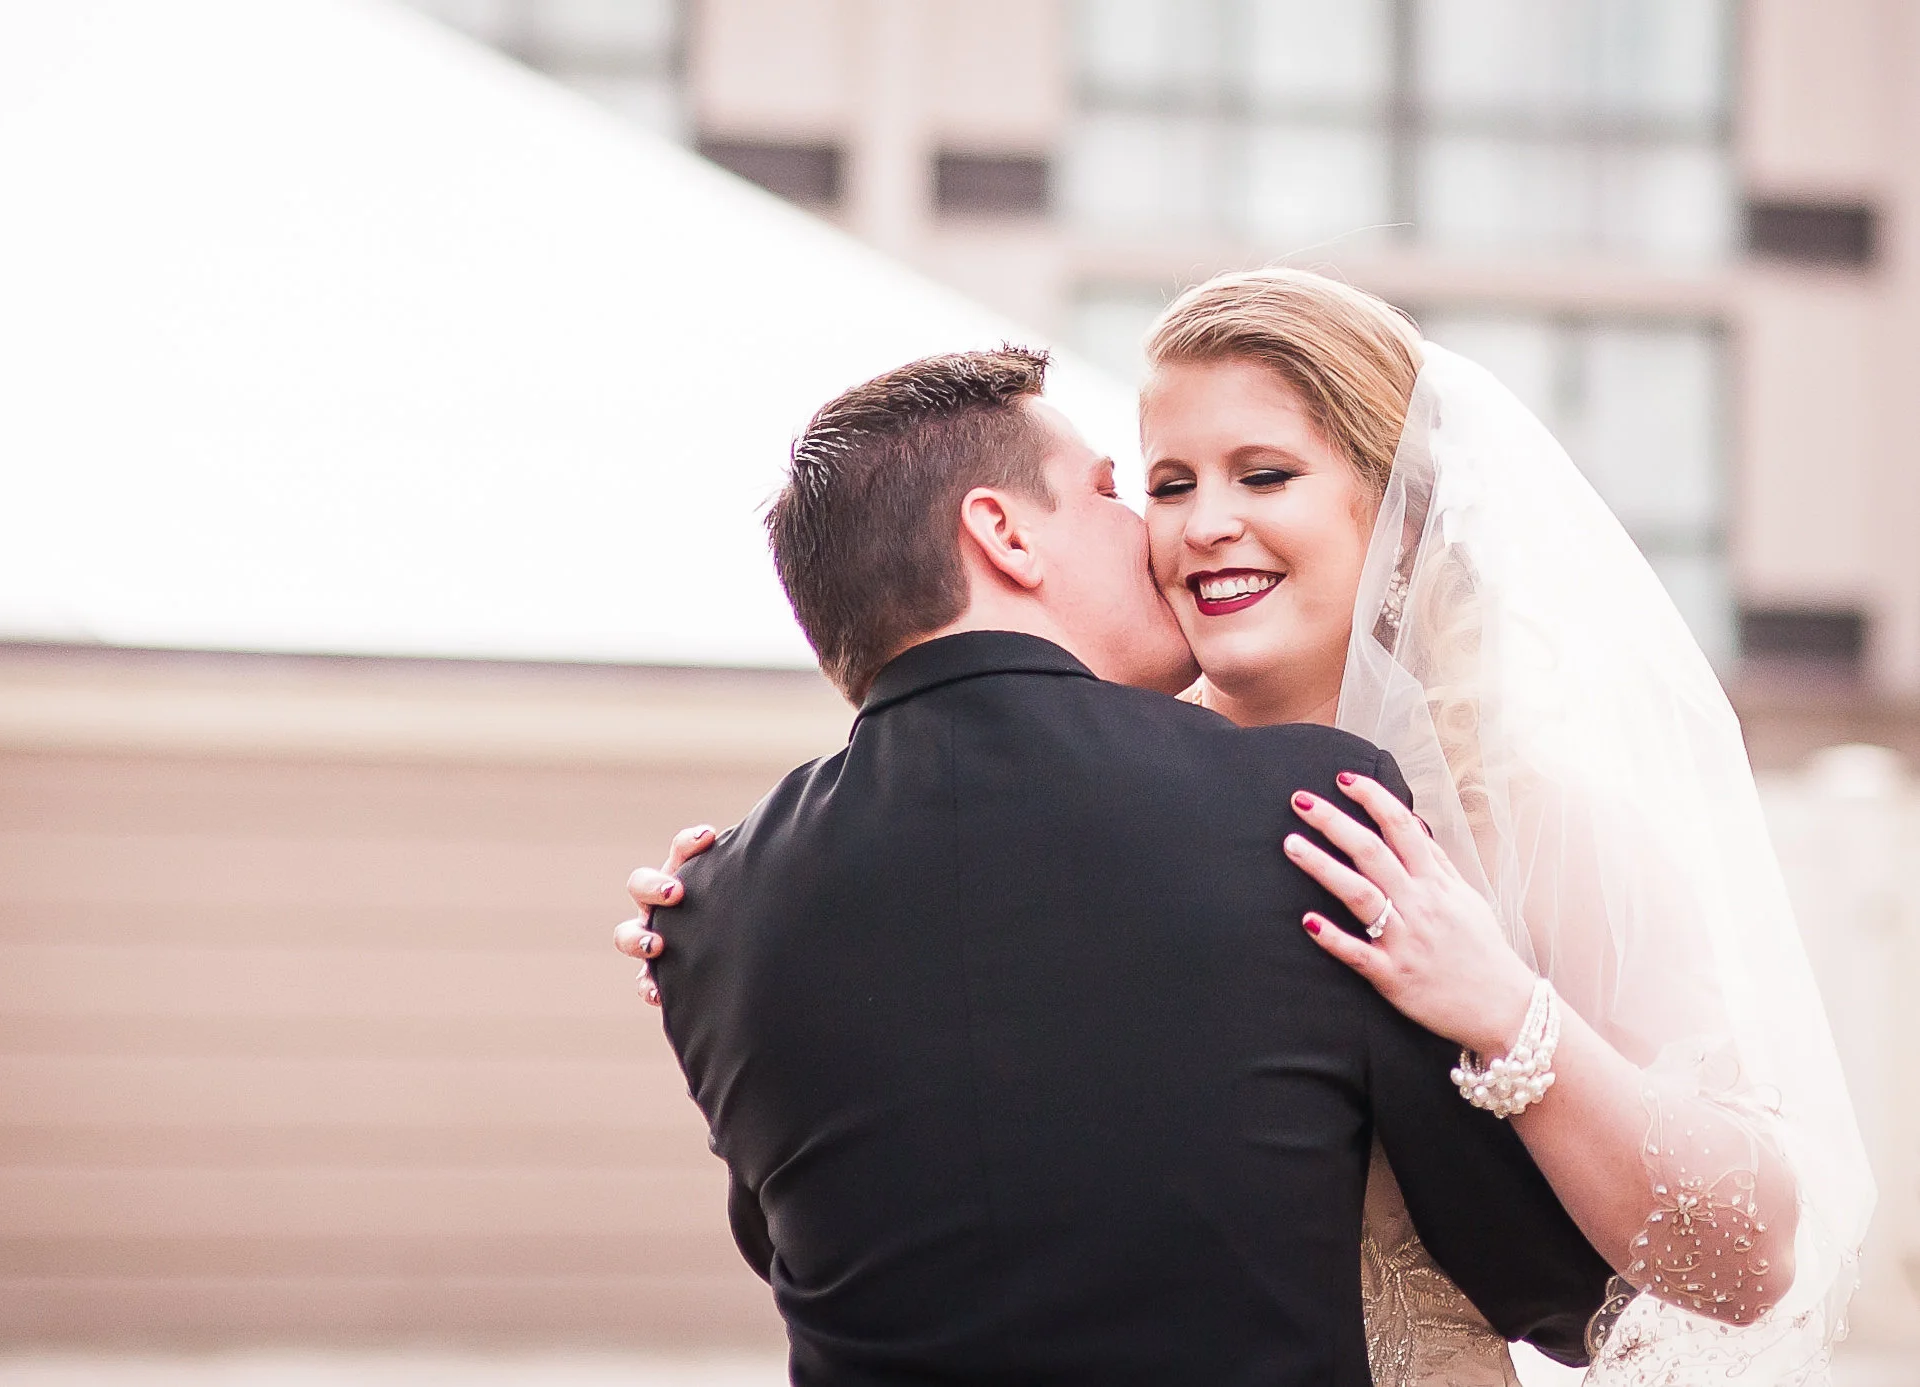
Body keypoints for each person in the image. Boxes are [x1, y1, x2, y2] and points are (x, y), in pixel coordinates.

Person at [618, 272, 1873, 1386]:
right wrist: (727, 917)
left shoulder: (1537, 818)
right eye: (1164, 485)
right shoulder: (1169, 813)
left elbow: (1750, 1249)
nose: (1198, 522)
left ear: (1397, 513)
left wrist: (1506, 1010)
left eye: (1261, 475)